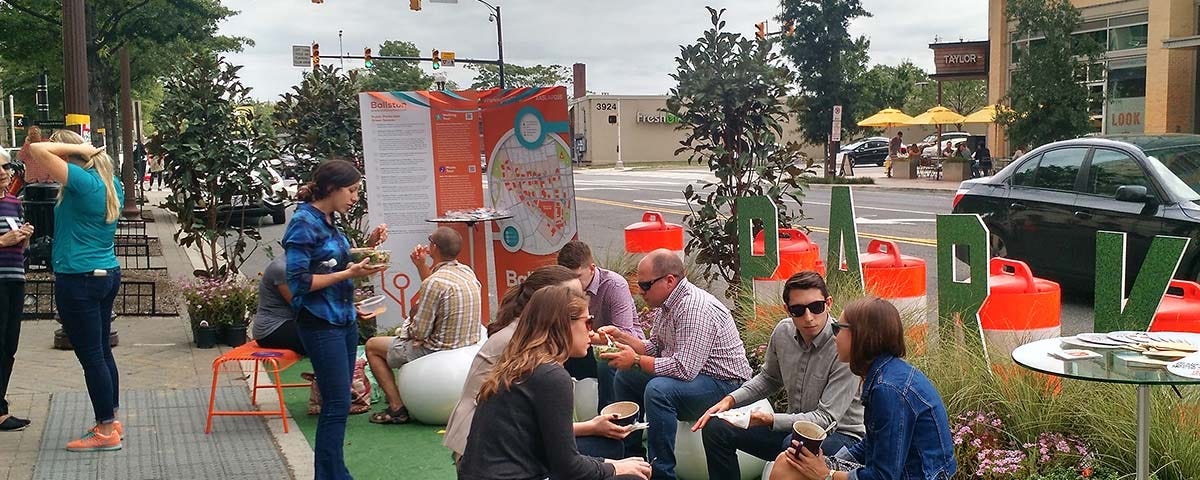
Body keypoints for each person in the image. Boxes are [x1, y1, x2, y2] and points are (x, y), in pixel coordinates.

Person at [458, 285, 652, 480]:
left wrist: (608, 461)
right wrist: (616, 468)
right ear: (563, 324)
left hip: (487, 471)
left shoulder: (522, 361)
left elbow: (542, 442)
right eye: (588, 322)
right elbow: (568, 469)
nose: (591, 333)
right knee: (633, 477)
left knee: (608, 446)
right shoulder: (551, 376)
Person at [693, 272, 864, 480]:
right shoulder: (783, 332)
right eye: (798, 310)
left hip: (841, 436)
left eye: (816, 307)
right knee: (717, 427)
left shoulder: (843, 346)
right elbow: (769, 378)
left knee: (792, 447)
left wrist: (769, 419)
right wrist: (730, 400)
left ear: (828, 303)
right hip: (794, 429)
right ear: (787, 310)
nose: (808, 317)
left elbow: (826, 418)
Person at [599, 249, 753, 480]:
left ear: (669, 281)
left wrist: (637, 360)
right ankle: (632, 457)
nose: (640, 292)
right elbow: (656, 348)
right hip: (698, 378)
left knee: (658, 390)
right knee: (625, 376)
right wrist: (622, 337)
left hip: (727, 386)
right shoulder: (669, 304)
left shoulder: (695, 308)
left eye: (646, 285)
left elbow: (683, 369)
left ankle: (661, 473)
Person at [770, 297, 957, 480]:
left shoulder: (888, 390)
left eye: (838, 329)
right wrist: (827, 462)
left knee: (789, 469)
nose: (834, 337)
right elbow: (872, 444)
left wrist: (826, 474)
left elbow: (883, 476)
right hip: (901, 472)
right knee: (787, 462)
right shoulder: (886, 374)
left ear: (862, 335)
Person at [283, 159, 388, 479]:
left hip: (343, 318)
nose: (355, 197)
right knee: (336, 402)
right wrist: (350, 272)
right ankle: (330, 474)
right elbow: (300, 281)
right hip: (319, 321)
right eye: (352, 190)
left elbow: (335, 262)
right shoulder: (303, 222)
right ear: (331, 188)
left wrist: (368, 248)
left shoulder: (329, 219)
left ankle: (333, 471)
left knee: (339, 401)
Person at [28, 131, 123, 451]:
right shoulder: (111, 183)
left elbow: (38, 149)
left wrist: (76, 147)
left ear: (71, 156)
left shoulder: (83, 181)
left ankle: (106, 430)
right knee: (102, 351)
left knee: (92, 357)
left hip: (79, 278)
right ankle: (111, 418)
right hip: (105, 272)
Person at [366, 226, 481, 425]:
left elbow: (420, 331)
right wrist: (421, 265)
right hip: (465, 347)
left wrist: (405, 330)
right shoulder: (466, 272)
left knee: (372, 346)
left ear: (433, 247)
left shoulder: (434, 282)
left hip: (435, 350)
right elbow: (437, 292)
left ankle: (396, 407)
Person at [557, 240, 644, 410]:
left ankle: (609, 417)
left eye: (577, 277)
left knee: (606, 362)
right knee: (553, 354)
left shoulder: (614, 285)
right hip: (586, 345)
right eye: (567, 277)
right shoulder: (563, 287)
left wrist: (585, 336)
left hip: (620, 346)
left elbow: (624, 334)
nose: (572, 283)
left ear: (592, 268)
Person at [0, 151, 33, 432]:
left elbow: (20, 248)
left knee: (9, 345)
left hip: (15, 279)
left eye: (5, 166)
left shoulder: (13, 203)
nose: (2, 172)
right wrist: (4, 240)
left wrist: (23, 239)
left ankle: (1, 405)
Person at [252, 256, 306, 354]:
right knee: (323, 338)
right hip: (272, 328)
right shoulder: (282, 268)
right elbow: (300, 305)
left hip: (293, 321)